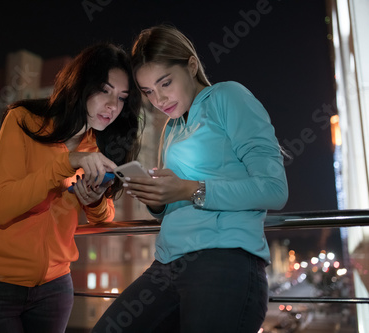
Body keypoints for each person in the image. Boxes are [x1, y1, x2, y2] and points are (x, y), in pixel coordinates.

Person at [92, 25, 289, 333]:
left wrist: (190, 189)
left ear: (192, 65)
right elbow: (175, 201)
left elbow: (274, 189)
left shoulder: (227, 97)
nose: (158, 99)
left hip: (225, 262)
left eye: (165, 83)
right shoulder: (171, 128)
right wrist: (157, 199)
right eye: (148, 92)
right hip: (166, 266)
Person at [0, 43, 142, 333]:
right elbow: (1, 207)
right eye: (105, 90)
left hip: (55, 289)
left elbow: (104, 217)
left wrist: (94, 200)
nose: (112, 105)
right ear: (82, 85)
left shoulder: (98, 146)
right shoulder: (23, 120)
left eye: (121, 98)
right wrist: (66, 162)